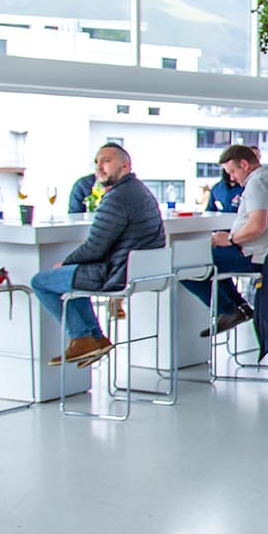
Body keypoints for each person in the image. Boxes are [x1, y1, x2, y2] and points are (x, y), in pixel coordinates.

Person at [28, 144, 164, 367]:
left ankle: (82, 337)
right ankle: (95, 339)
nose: (99, 167)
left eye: (106, 161)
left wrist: (65, 262)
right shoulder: (139, 190)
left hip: (116, 274)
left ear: (125, 166)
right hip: (138, 271)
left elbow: (95, 248)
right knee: (73, 276)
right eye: (97, 162)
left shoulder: (117, 197)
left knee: (41, 282)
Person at [180, 144, 268, 337]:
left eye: (233, 172)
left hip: (256, 255)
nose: (232, 178)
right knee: (212, 260)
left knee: (184, 264)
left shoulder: (258, 183)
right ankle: (239, 308)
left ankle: (230, 310)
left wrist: (230, 239)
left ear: (244, 164)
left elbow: (257, 225)